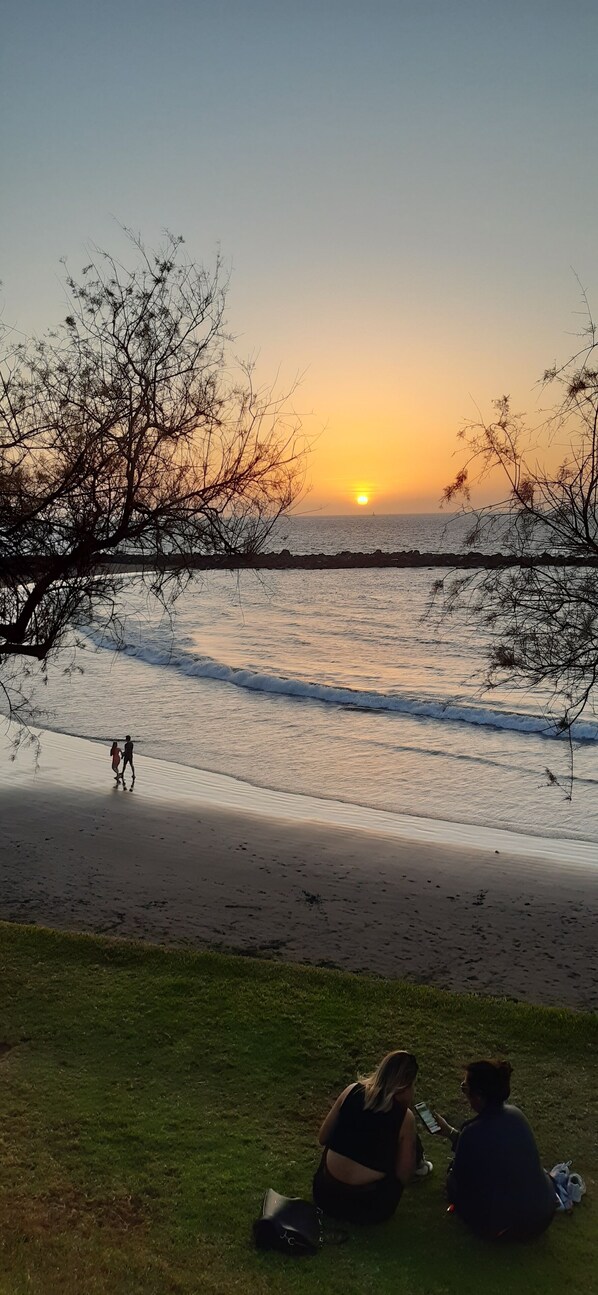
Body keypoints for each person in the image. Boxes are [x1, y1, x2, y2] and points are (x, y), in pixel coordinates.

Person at [435, 1059, 557, 1241]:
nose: (465, 1095)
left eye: (465, 1089)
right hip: (544, 1213)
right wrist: (450, 1133)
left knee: (452, 1183)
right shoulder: (516, 1115)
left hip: (510, 1227)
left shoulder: (473, 1130)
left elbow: (459, 1180)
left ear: (478, 1095)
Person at [312, 1050, 431, 1225]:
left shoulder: (351, 1091)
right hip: (369, 1208)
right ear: (406, 1085)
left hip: (325, 1196)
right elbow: (403, 1176)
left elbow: (323, 1137)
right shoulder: (404, 1117)